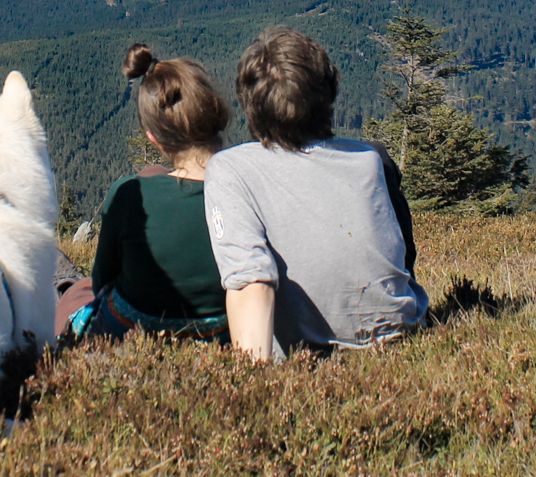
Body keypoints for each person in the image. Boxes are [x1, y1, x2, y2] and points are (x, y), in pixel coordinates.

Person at [204, 26, 426, 359]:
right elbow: (403, 256)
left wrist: (252, 381)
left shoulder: (230, 169)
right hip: (403, 340)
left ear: (250, 104)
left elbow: (251, 282)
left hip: (304, 358)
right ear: (327, 92)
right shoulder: (370, 159)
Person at [56, 44, 231, 343]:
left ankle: (64, 281)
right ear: (214, 111)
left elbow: (101, 282)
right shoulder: (246, 193)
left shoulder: (129, 196)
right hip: (221, 338)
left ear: (154, 138)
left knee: (75, 293)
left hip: (126, 336)